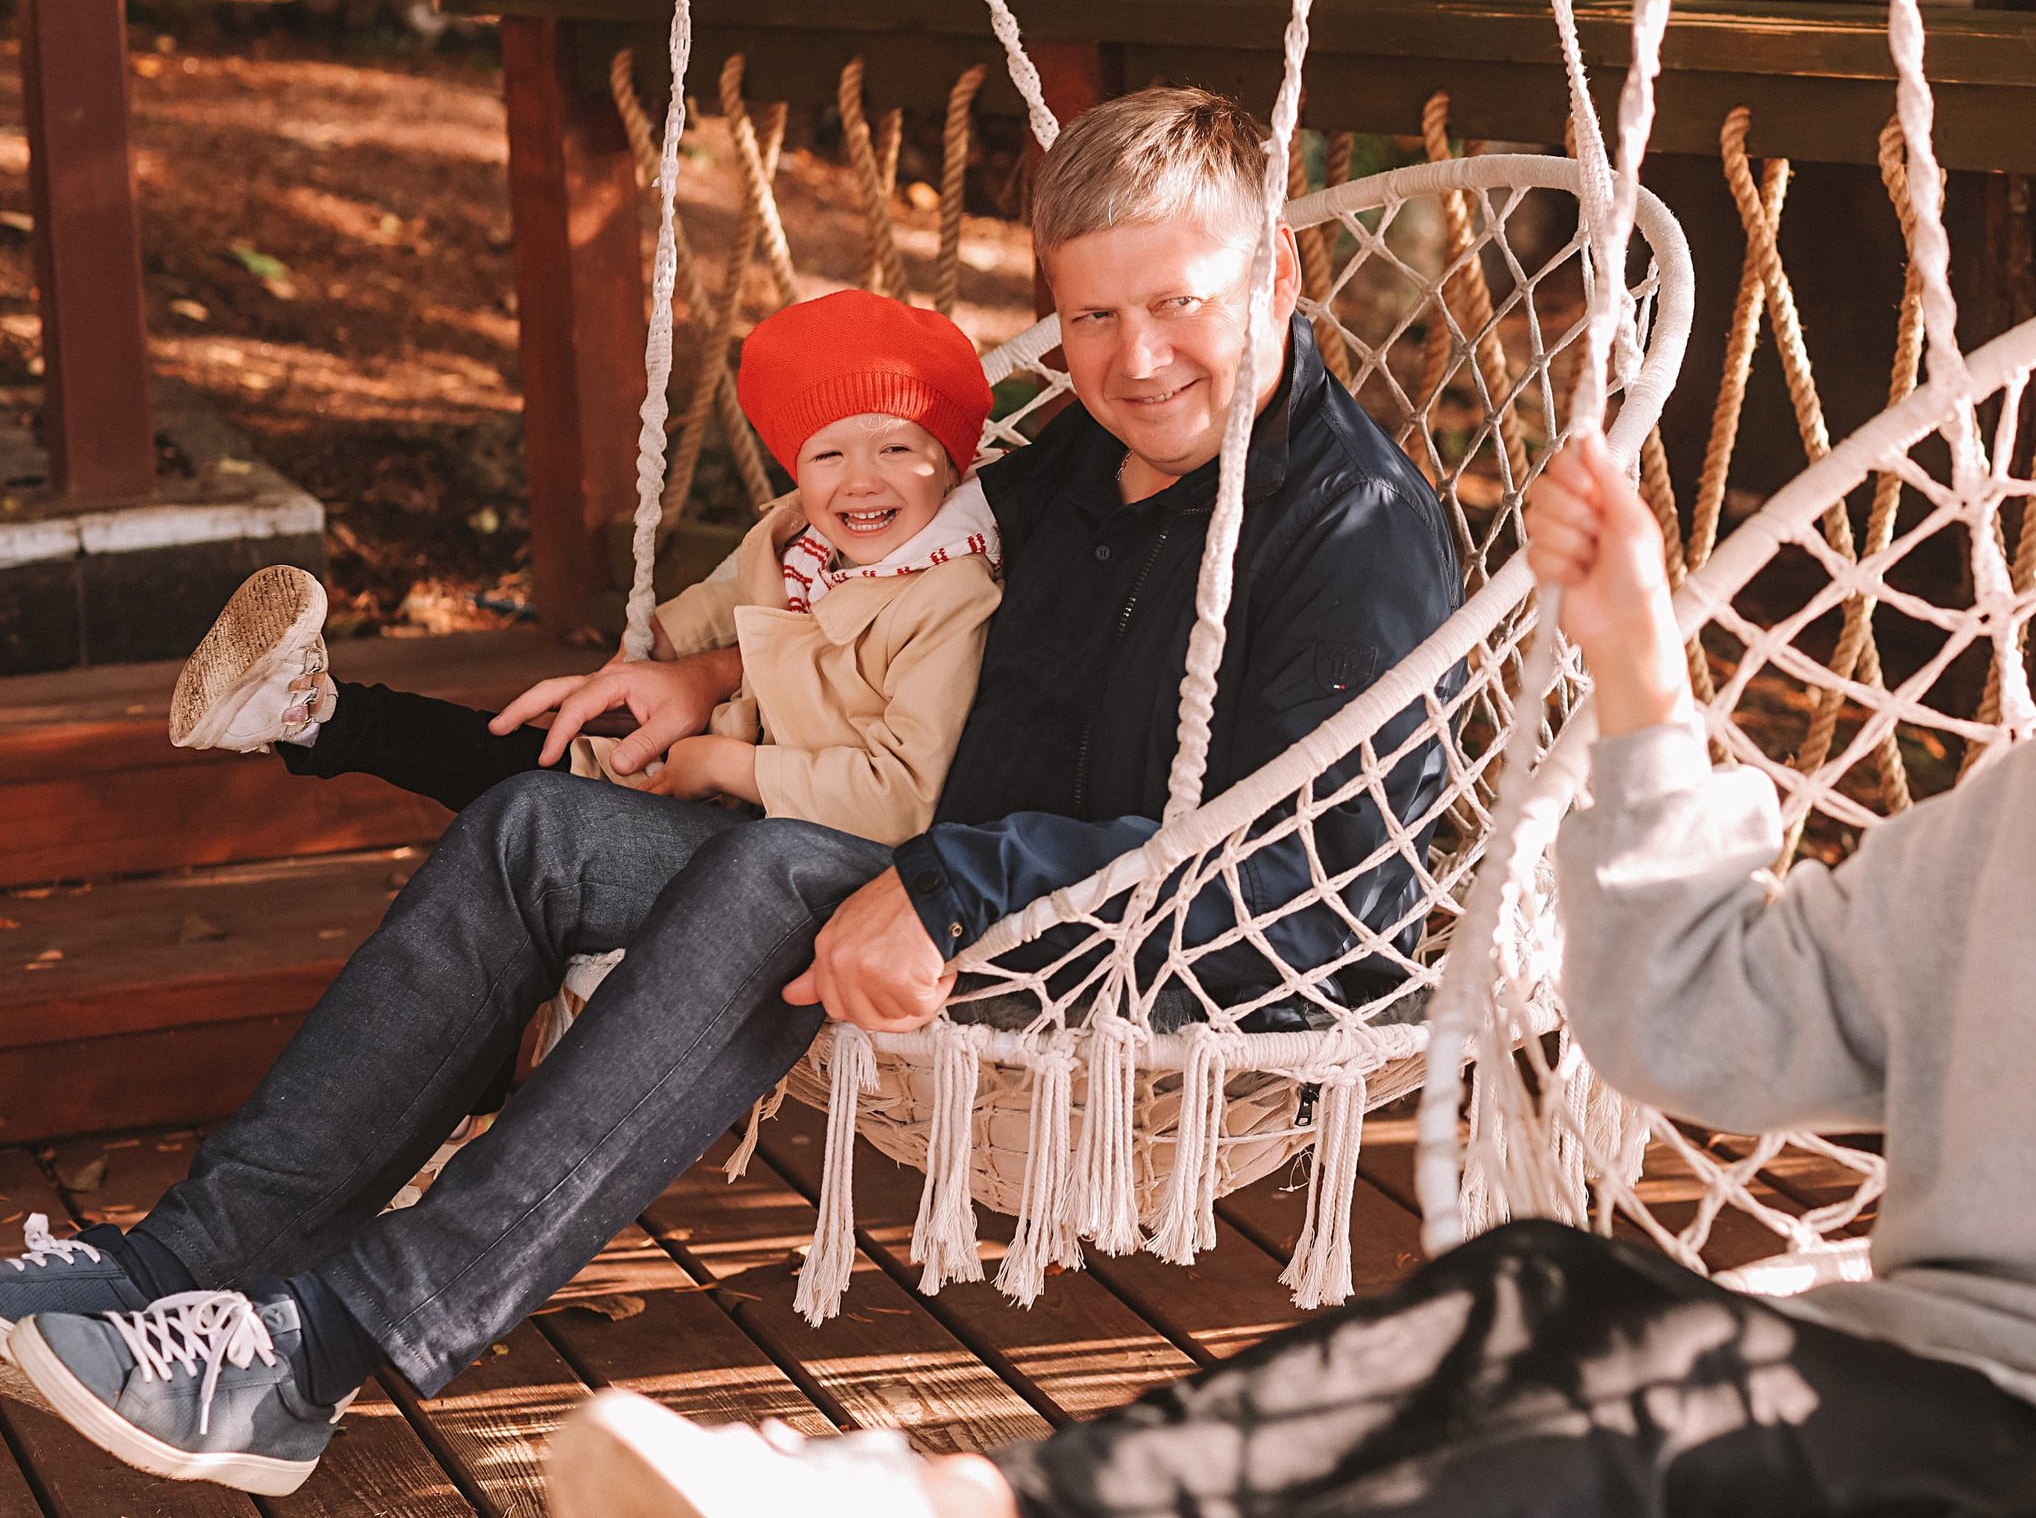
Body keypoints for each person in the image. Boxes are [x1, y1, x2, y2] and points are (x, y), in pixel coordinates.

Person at [539, 253, 2036, 1518]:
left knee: (1619, 1430)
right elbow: (1703, 1025)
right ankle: (963, 1505)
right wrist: (1637, 690)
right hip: (1925, 1362)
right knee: (1537, 1293)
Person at [0, 85, 1459, 1496]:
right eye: (1091, 314)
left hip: (1126, 949)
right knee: (534, 831)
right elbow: (877, 572)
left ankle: (312, 1352)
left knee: (763, 877)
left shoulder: (1355, 533)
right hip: (925, 861)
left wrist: (956, 885)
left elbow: (1325, 888)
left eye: (1181, 301)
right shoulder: (1087, 454)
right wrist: (701, 681)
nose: (1136, 357)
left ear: (1278, 267)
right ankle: (176, 1263)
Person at [167, 286, 1003, 845]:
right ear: (795, 469)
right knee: (509, 769)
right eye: (827, 455)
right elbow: (714, 609)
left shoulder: (953, 591)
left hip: (796, 842)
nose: (862, 480)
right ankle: (310, 713)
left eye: (897, 447)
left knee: (530, 832)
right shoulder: (791, 537)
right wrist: (638, 665)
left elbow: (903, 794)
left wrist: (728, 764)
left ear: (952, 463)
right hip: (707, 777)